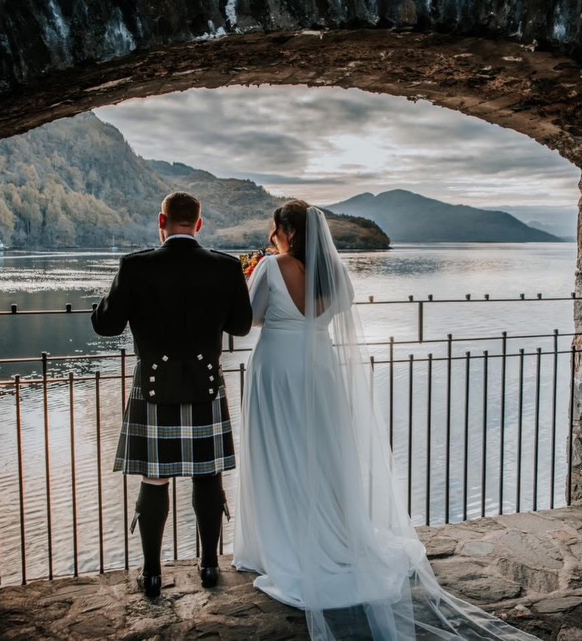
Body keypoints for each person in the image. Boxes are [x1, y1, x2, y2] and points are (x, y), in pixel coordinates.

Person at [233, 200, 537, 640]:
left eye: (274, 227)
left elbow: (250, 320)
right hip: (318, 368)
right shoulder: (334, 273)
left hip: (277, 369)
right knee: (322, 455)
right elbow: (339, 309)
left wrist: (251, 280)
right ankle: (326, 535)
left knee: (277, 452)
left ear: (286, 230)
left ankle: (280, 545)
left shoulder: (270, 266)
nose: (271, 233)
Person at [92, 191, 252, 597]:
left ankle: (150, 572)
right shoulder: (226, 267)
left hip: (154, 388)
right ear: (199, 224)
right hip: (206, 384)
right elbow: (241, 325)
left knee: (154, 479)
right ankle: (210, 565)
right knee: (207, 475)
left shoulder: (135, 266)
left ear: (160, 222)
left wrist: (103, 300)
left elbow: (106, 325)